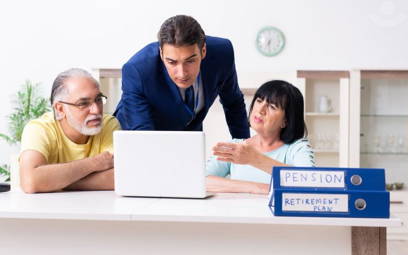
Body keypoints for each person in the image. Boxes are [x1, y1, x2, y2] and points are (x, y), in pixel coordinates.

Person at [114, 15, 250, 138]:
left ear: (203, 51)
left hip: (188, 139)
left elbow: (233, 104)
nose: (182, 73)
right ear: (161, 53)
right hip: (136, 139)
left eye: (190, 61)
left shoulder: (222, 53)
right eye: (172, 62)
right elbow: (143, 136)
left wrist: (244, 153)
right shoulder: (137, 70)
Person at [19, 68, 120, 193]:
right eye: (83, 103)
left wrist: (55, 182)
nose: (96, 110)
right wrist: (95, 163)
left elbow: (121, 176)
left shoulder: (108, 124)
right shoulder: (39, 129)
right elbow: (31, 182)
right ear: (60, 109)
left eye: (98, 99)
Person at [206, 80, 315, 194]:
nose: (260, 109)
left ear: (285, 121)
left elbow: (309, 180)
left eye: (272, 107)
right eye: (259, 101)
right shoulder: (236, 147)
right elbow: (201, 181)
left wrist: (253, 158)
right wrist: (259, 188)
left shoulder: (297, 148)